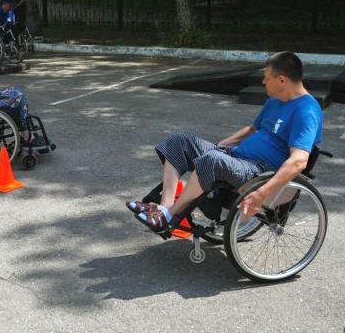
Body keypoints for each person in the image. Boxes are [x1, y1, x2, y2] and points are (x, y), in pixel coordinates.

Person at [126, 52, 323, 234]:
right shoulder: (275, 100)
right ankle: (164, 207)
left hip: (259, 171)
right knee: (179, 140)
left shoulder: (306, 112)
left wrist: (262, 193)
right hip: (237, 157)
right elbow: (252, 128)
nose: (263, 81)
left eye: (267, 78)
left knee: (212, 159)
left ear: (282, 80)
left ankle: (169, 217)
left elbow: (299, 161)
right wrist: (223, 144)